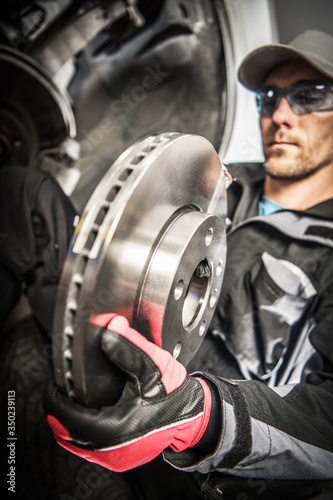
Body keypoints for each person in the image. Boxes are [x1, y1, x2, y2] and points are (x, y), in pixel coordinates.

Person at [44, 30, 333, 499]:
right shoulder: (219, 184)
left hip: (212, 465)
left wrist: (201, 415)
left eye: (309, 96)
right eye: (269, 98)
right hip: (121, 388)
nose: (280, 115)